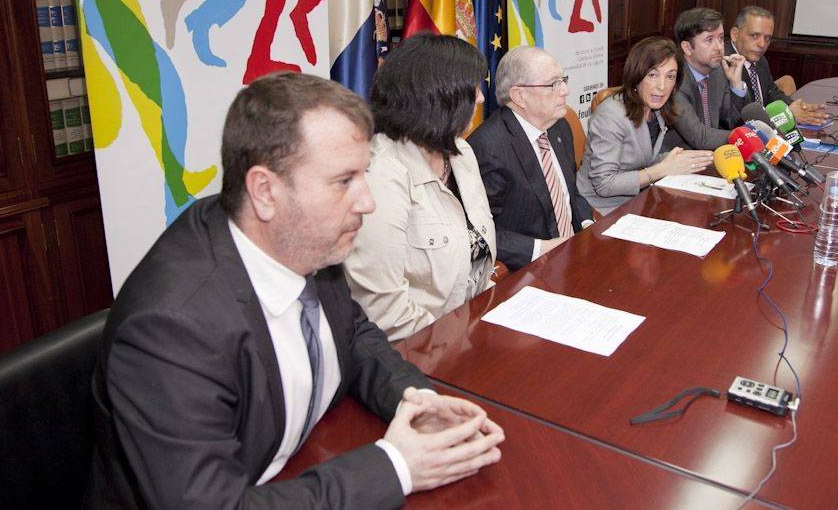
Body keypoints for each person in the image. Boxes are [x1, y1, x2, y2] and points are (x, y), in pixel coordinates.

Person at [86, 73, 504, 508]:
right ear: (265, 191)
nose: (368, 202)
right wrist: (396, 467)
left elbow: (353, 335)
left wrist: (415, 401)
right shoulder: (171, 329)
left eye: (364, 175)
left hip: (299, 466)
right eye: (343, 181)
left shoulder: (300, 236)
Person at [344, 34, 497, 342]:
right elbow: (384, 312)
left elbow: (479, 262)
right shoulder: (380, 175)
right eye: (473, 89)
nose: (481, 98)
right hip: (421, 347)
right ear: (438, 96)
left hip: (473, 327)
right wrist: (462, 341)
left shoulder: (462, 152)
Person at [467, 46, 594, 272]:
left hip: (576, 253)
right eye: (553, 83)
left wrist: (587, 224)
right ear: (519, 96)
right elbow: (478, 232)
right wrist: (542, 249)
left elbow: (570, 192)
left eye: (563, 80)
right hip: (529, 269)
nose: (565, 90)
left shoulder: (559, 126)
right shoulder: (489, 147)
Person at [577, 37, 714, 215]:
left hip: (638, 201)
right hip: (599, 210)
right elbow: (604, 184)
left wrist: (676, 159)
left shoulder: (656, 108)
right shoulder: (611, 114)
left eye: (670, 76)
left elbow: (641, 158)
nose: (662, 86)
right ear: (636, 76)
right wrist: (663, 169)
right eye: (652, 75)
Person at [661, 7, 747, 152]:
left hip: (711, 156)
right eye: (709, 40)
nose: (719, 47)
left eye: (721, 38)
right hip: (678, 158)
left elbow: (731, 121)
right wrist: (744, 136)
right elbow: (700, 138)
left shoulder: (718, 72)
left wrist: (736, 84)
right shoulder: (674, 80)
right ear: (687, 48)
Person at [726, 5, 827, 125]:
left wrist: (796, 107)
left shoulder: (761, 61)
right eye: (754, 36)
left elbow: (772, 93)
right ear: (735, 34)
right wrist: (786, 113)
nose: (762, 44)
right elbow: (735, 116)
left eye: (767, 38)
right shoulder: (723, 65)